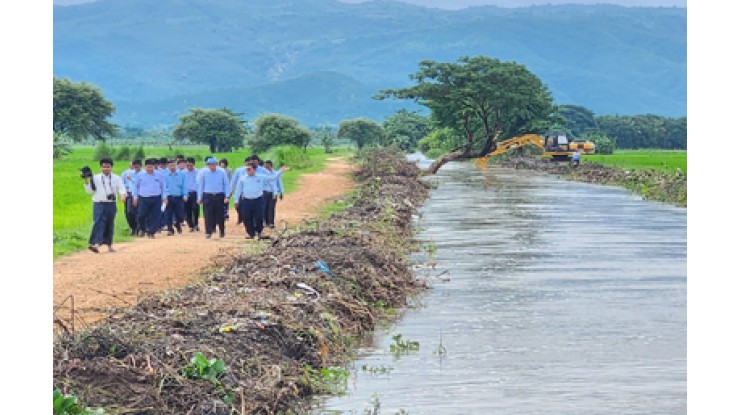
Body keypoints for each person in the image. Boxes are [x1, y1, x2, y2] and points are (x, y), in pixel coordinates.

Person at [83, 157, 128, 253]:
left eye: (108, 167)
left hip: (111, 204)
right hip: (98, 203)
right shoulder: (95, 178)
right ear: (101, 167)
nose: (106, 169)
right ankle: (96, 244)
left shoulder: (117, 178)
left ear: (112, 167)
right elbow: (89, 191)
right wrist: (86, 180)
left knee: (109, 224)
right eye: (104, 167)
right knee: (98, 222)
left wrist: (123, 195)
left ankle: (109, 245)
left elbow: (122, 188)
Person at [234, 163, 289, 239]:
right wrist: (236, 200)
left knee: (259, 217)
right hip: (246, 201)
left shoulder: (261, 177)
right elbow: (238, 190)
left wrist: (280, 171)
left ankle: (259, 232)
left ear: (254, 169)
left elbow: (273, 178)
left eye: (249, 169)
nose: (248, 171)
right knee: (247, 218)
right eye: (246, 169)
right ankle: (251, 234)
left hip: (258, 200)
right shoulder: (242, 179)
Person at [133, 158, 168, 238]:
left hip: (156, 197)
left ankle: (151, 232)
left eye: (151, 167)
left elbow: (163, 187)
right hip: (143, 198)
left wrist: (164, 197)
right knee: (141, 215)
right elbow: (136, 187)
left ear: (154, 167)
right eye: (148, 167)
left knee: (155, 215)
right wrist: (135, 197)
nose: (149, 169)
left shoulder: (160, 175)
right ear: (145, 167)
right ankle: (142, 228)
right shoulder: (140, 175)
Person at [197, 157, 231, 239]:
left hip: (219, 195)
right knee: (208, 214)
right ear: (207, 165)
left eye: (214, 165)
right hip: (207, 195)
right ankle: (208, 232)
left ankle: (222, 231)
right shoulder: (203, 172)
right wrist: (199, 197)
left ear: (216, 164)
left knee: (220, 214)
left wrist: (227, 196)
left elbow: (226, 184)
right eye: (210, 165)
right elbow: (201, 185)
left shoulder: (221, 172)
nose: (212, 167)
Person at [164, 159, 187, 235]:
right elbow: (163, 187)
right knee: (168, 214)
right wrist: (164, 197)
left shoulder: (182, 175)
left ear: (176, 165)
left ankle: (177, 224)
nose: (172, 167)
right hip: (168, 197)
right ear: (167, 166)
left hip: (178, 197)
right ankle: (170, 229)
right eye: (170, 165)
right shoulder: (165, 176)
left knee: (180, 214)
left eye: (173, 165)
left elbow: (184, 186)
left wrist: (185, 195)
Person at [121, 159, 143, 235]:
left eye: (137, 167)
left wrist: (132, 179)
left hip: (141, 195)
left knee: (140, 212)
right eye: (134, 166)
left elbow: (140, 183)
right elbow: (123, 184)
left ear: (141, 166)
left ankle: (140, 228)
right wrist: (123, 194)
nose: (135, 168)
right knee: (129, 212)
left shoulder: (144, 173)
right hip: (130, 194)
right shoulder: (128, 173)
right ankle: (133, 227)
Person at [262, 160, 284, 229]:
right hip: (264, 192)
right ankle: (265, 222)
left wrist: (281, 192)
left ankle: (271, 222)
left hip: (273, 193)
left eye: (267, 166)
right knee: (264, 207)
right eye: (265, 166)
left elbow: (279, 183)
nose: (266, 168)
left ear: (271, 166)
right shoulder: (263, 174)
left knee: (271, 207)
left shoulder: (276, 174)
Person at [183, 157, 201, 232]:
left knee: (195, 208)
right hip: (186, 193)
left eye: (191, 165)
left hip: (195, 192)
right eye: (188, 165)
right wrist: (184, 194)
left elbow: (200, 184)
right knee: (187, 210)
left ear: (194, 165)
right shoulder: (183, 173)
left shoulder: (198, 172)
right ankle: (190, 225)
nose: (189, 167)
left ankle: (196, 223)